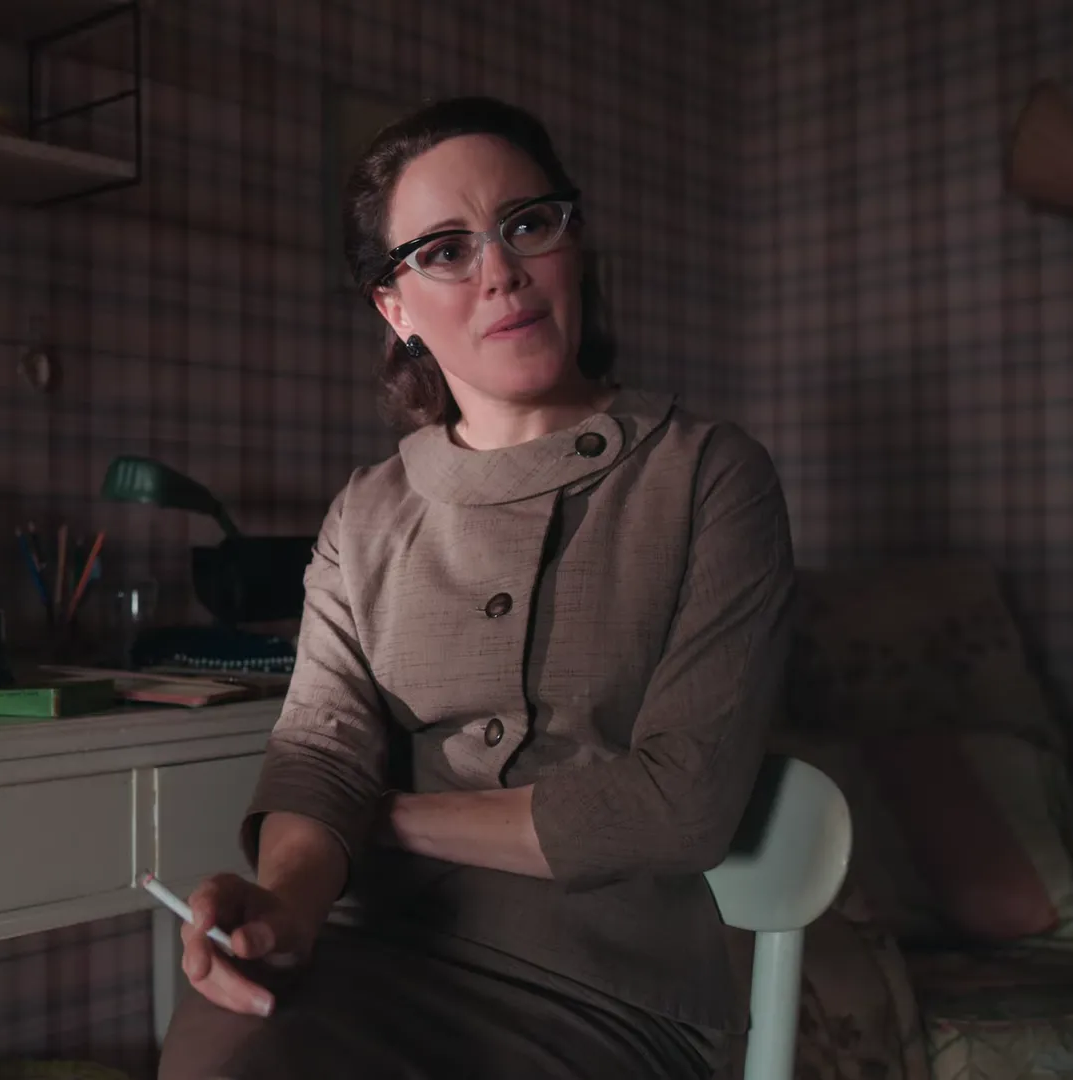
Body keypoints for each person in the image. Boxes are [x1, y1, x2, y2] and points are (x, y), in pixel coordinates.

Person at [156, 97, 796, 1080]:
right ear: (395, 308)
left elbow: (683, 804)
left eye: (527, 224)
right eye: (446, 250)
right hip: (365, 952)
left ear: (573, 245)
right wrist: (287, 902)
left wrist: (376, 817)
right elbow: (320, 753)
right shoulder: (364, 515)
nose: (500, 271)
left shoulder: (709, 475)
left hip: (614, 997)